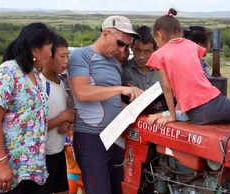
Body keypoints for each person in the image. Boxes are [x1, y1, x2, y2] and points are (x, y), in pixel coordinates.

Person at [146, 8, 230, 128]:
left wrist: (172, 116)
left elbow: (167, 87)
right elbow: (198, 61)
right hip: (212, 103)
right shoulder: (192, 46)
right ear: (179, 32)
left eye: (155, 40)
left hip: (195, 114)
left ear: (159, 35)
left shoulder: (159, 55)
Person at [67, 15, 143, 194]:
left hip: (116, 137)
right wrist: (120, 89)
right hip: (91, 138)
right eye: (120, 43)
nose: (123, 50)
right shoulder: (81, 55)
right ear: (106, 33)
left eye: (127, 46)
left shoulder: (115, 63)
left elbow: (112, 101)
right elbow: (81, 92)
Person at [0, 22, 55, 194]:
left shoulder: (34, 74)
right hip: (9, 169)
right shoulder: (8, 72)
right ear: (35, 49)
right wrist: (2, 164)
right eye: (50, 48)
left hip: (31, 169)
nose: (51, 54)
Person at [40, 34, 75, 194]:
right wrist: (64, 117)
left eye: (68, 56)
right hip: (43, 155)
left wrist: (68, 120)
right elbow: (34, 127)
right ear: (48, 56)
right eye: (62, 56)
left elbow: (67, 113)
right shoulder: (39, 85)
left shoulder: (62, 82)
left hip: (59, 151)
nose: (66, 61)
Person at [122, 25, 168, 114]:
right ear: (132, 46)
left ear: (156, 50)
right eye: (138, 50)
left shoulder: (165, 70)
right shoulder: (125, 70)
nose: (141, 56)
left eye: (147, 51)